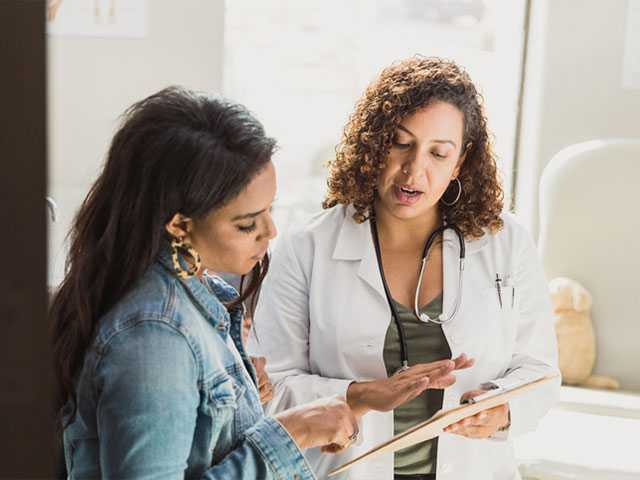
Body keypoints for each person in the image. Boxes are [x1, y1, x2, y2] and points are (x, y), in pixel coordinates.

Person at [250, 57, 560, 480]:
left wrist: (501, 410)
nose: (414, 169)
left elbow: (540, 372)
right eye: (400, 143)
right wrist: (359, 395)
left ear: (461, 161)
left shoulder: (505, 242)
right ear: (375, 144)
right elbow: (268, 389)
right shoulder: (307, 246)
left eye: (438, 153)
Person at [49, 86, 359, 479]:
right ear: (179, 225)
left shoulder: (189, 295)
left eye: (269, 210)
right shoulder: (154, 335)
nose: (270, 231)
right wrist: (290, 434)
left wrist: (243, 405)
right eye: (247, 224)